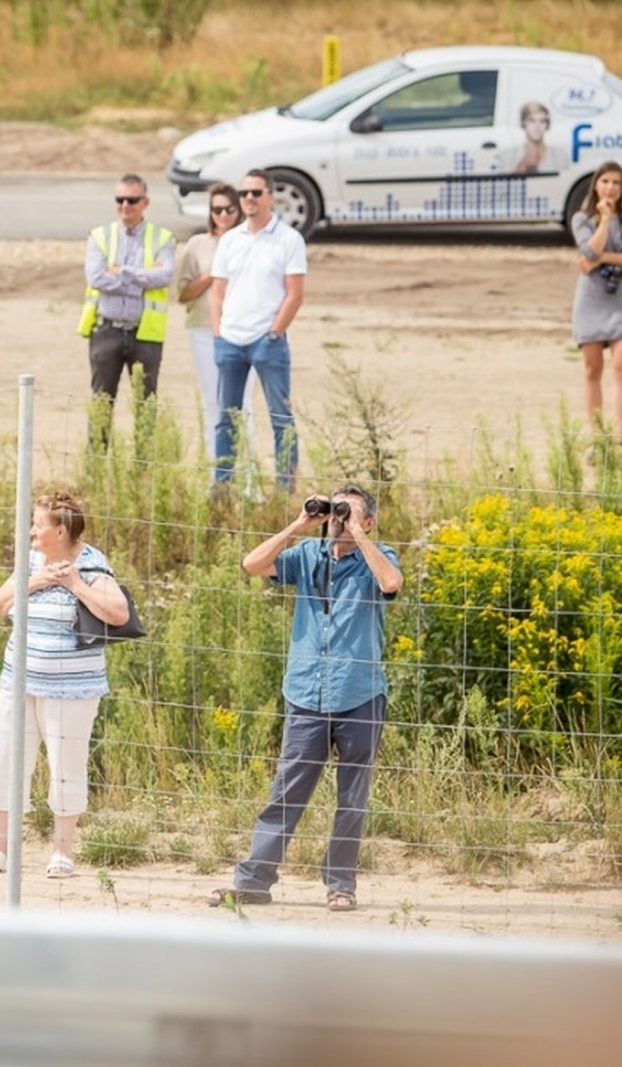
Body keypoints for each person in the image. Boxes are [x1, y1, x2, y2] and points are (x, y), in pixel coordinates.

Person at [208, 486, 402, 912]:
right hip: (306, 693)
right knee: (286, 792)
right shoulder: (308, 555)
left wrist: (357, 534)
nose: (337, 519)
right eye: (334, 511)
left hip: (359, 693)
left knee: (352, 798)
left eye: (348, 512)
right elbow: (252, 564)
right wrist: (300, 524)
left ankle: (341, 885)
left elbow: (391, 583)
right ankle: (253, 882)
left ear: (369, 521)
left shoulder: (379, 555)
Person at [0, 491, 129, 880]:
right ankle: (0, 848)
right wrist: (35, 581)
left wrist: (75, 584)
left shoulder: (93, 564)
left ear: (60, 531)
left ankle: (62, 852)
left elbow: (118, 614)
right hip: (18, 682)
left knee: (66, 766)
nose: (31, 531)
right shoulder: (29, 560)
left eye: (38, 525)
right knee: (7, 763)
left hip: (72, 689)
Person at [210, 168, 307, 492]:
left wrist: (274, 333)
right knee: (226, 417)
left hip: (267, 341)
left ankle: (285, 489)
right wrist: (218, 335)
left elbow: (295, 294)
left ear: (270, 196)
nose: (248, 198)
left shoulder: (289, 239)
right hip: (230, 340)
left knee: (281, 418)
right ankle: (222, 486)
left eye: (255, 192)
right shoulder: (230, 240)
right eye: (244, 193)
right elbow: (218, 293)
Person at [78, 173, 176, 441]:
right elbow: (96, 278)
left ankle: (143, 464)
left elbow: (164, 276)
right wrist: (141, 279)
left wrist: (122, 272)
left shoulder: (162, 238)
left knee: (145, 406)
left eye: (132, 200)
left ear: (145, 202)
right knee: (101, 403)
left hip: (144, 334)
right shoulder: (100, 237)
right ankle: (96, 463)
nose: (125, 206)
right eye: (120, 199)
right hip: (106, 330)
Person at [570, 160, 622, 465]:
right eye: (605, 182)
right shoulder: (582, 218)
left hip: (621, 300)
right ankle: (596, 439)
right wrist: (603, 220)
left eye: (616, 182)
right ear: (596, 186)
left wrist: (602, 259)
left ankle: (618, 441)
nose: (610, 188)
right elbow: (588, 250)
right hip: (591, 300)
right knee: (592, 370)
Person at [174, 182, 253, 461]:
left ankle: (246, 472)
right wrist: (212, 275)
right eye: (217, 210)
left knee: (243, 403)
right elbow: (183, 293)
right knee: (213, 401)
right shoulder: (198, 245)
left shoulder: (249, 243)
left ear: (239, 210)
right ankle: (215, 468)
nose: (223, 215)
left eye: (229, 209)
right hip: (203, 330)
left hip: (242, 333)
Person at [511, 102, 564, 174]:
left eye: (542, 121)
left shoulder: (560, 155)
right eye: (532, 121)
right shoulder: (508, 155)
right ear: (523, 123)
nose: (537, 126)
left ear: (547, 125)